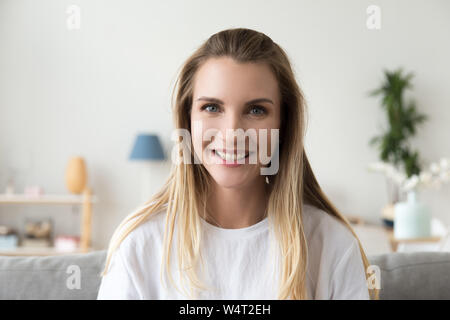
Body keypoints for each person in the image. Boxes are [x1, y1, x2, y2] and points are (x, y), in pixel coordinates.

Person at [97, 28, 377, 300]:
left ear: (284, 124)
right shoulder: (139, 246)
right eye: (212, 107)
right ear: (188, 119)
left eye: (256, 110)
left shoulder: (332, 246)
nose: (232, 134)